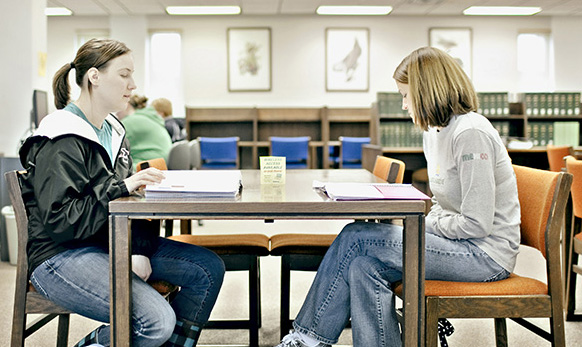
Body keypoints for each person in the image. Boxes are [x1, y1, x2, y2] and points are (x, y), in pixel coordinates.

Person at [275, 46, 521, 347]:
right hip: (457, 243)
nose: (404, 105)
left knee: (357, 236)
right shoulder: (435, 133)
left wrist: (423, 223)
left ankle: (306, 340)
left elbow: (477, 224)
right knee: (362, 268)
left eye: (406, 95)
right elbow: (444, 207)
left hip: (485, 256)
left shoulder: (470, 133)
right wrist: (429, 220)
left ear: (427, 92)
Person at [19, 38, 225, 347]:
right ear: (94, 77)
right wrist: (122, 186)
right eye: (124, 74)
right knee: (156, 322)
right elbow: (62, 222)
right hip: (60, 256)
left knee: (206, 270)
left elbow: (129, 202)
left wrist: (138, 249)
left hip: (108, 242)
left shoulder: (114, 131)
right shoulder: (60, 136)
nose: (133, 84)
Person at [121, 94, 173, 168]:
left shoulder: (131, 121)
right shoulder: (149, 118)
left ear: (127, 105)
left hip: (148, 165)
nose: (116, 113)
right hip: (159, 163)